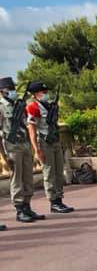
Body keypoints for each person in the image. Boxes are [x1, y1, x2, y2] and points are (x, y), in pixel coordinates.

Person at [25, 81, 73, 215]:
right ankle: (54, 202)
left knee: (59, 171)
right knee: (49, 172)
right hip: (44, 142)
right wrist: (36, 150)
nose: (46, 94)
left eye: (46, 92)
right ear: (35, 94)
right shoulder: (33, 107)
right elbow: (32, 130)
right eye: (43, 92)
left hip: (55, 141)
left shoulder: (50, 106)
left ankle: (59, 198)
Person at [0, 76, 39, 225]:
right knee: (16, 179)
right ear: (2, 91)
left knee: (28, 177)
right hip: (12, 147)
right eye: (9, 89)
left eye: (13, 89)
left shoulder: (20, 105)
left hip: (25, 145)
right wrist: (4, 157)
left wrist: (32, 147)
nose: (13, 91)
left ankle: (27, 206)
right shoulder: (1, 107)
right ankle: (20, 209)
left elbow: (27, 126)